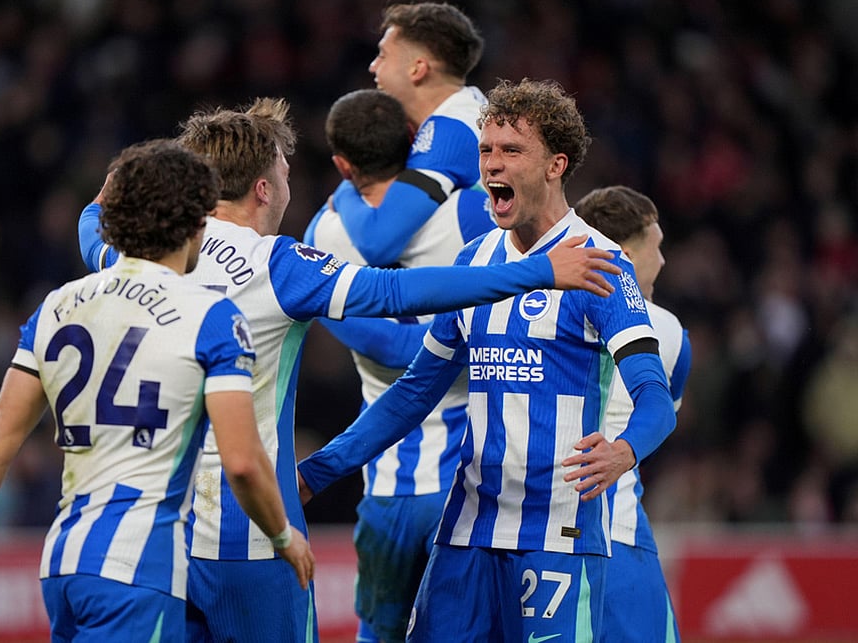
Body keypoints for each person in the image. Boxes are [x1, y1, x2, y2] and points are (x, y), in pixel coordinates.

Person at [77, 98, 623, 642]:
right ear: (264, 188)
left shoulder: (141, 256)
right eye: (285, 172)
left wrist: (105, 195)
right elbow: (392, 290)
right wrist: (535, 271)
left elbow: (91, 229)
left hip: (158, 528)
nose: (290, 186)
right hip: (250, 529)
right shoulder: (277, 264)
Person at [298, 78, 677, 641]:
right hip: (469, 529)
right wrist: (318, 472)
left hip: (556, 534)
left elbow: (655, 400)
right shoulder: (476, 263)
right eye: (486, 151)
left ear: (556, 165)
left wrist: (624, 450)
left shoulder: (601, 266)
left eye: (511, 151)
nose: (491, 166)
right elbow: (413, 392)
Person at [0, 140, 314, 641]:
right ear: (196, 224)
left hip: (64, 562)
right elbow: (241, 460)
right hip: (139, 569)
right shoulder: (209, 316)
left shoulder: (59, 304)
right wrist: (283, 535)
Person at [305, 88, 494, 643]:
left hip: (388, 479)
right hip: (471, 477)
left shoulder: (326, 233)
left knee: (380, 635)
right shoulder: (472, 209)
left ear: (343, 164)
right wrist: (460, 341)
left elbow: (385, 348)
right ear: (414, 143)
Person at [574, 185, 691, 643]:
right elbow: (659, 421)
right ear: (622, 253)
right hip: (618, 538)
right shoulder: (669, 332)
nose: (662, 261)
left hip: (536, 538)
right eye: (656, 246)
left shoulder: (532, 310)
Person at [331, 1, 488, 266]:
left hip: (489, 293)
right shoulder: (466, 111)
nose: (372, 66)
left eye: (382, 55)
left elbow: (377, 242)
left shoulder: (451, 131)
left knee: (329, 232)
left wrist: (345, 191)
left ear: (417, 68)